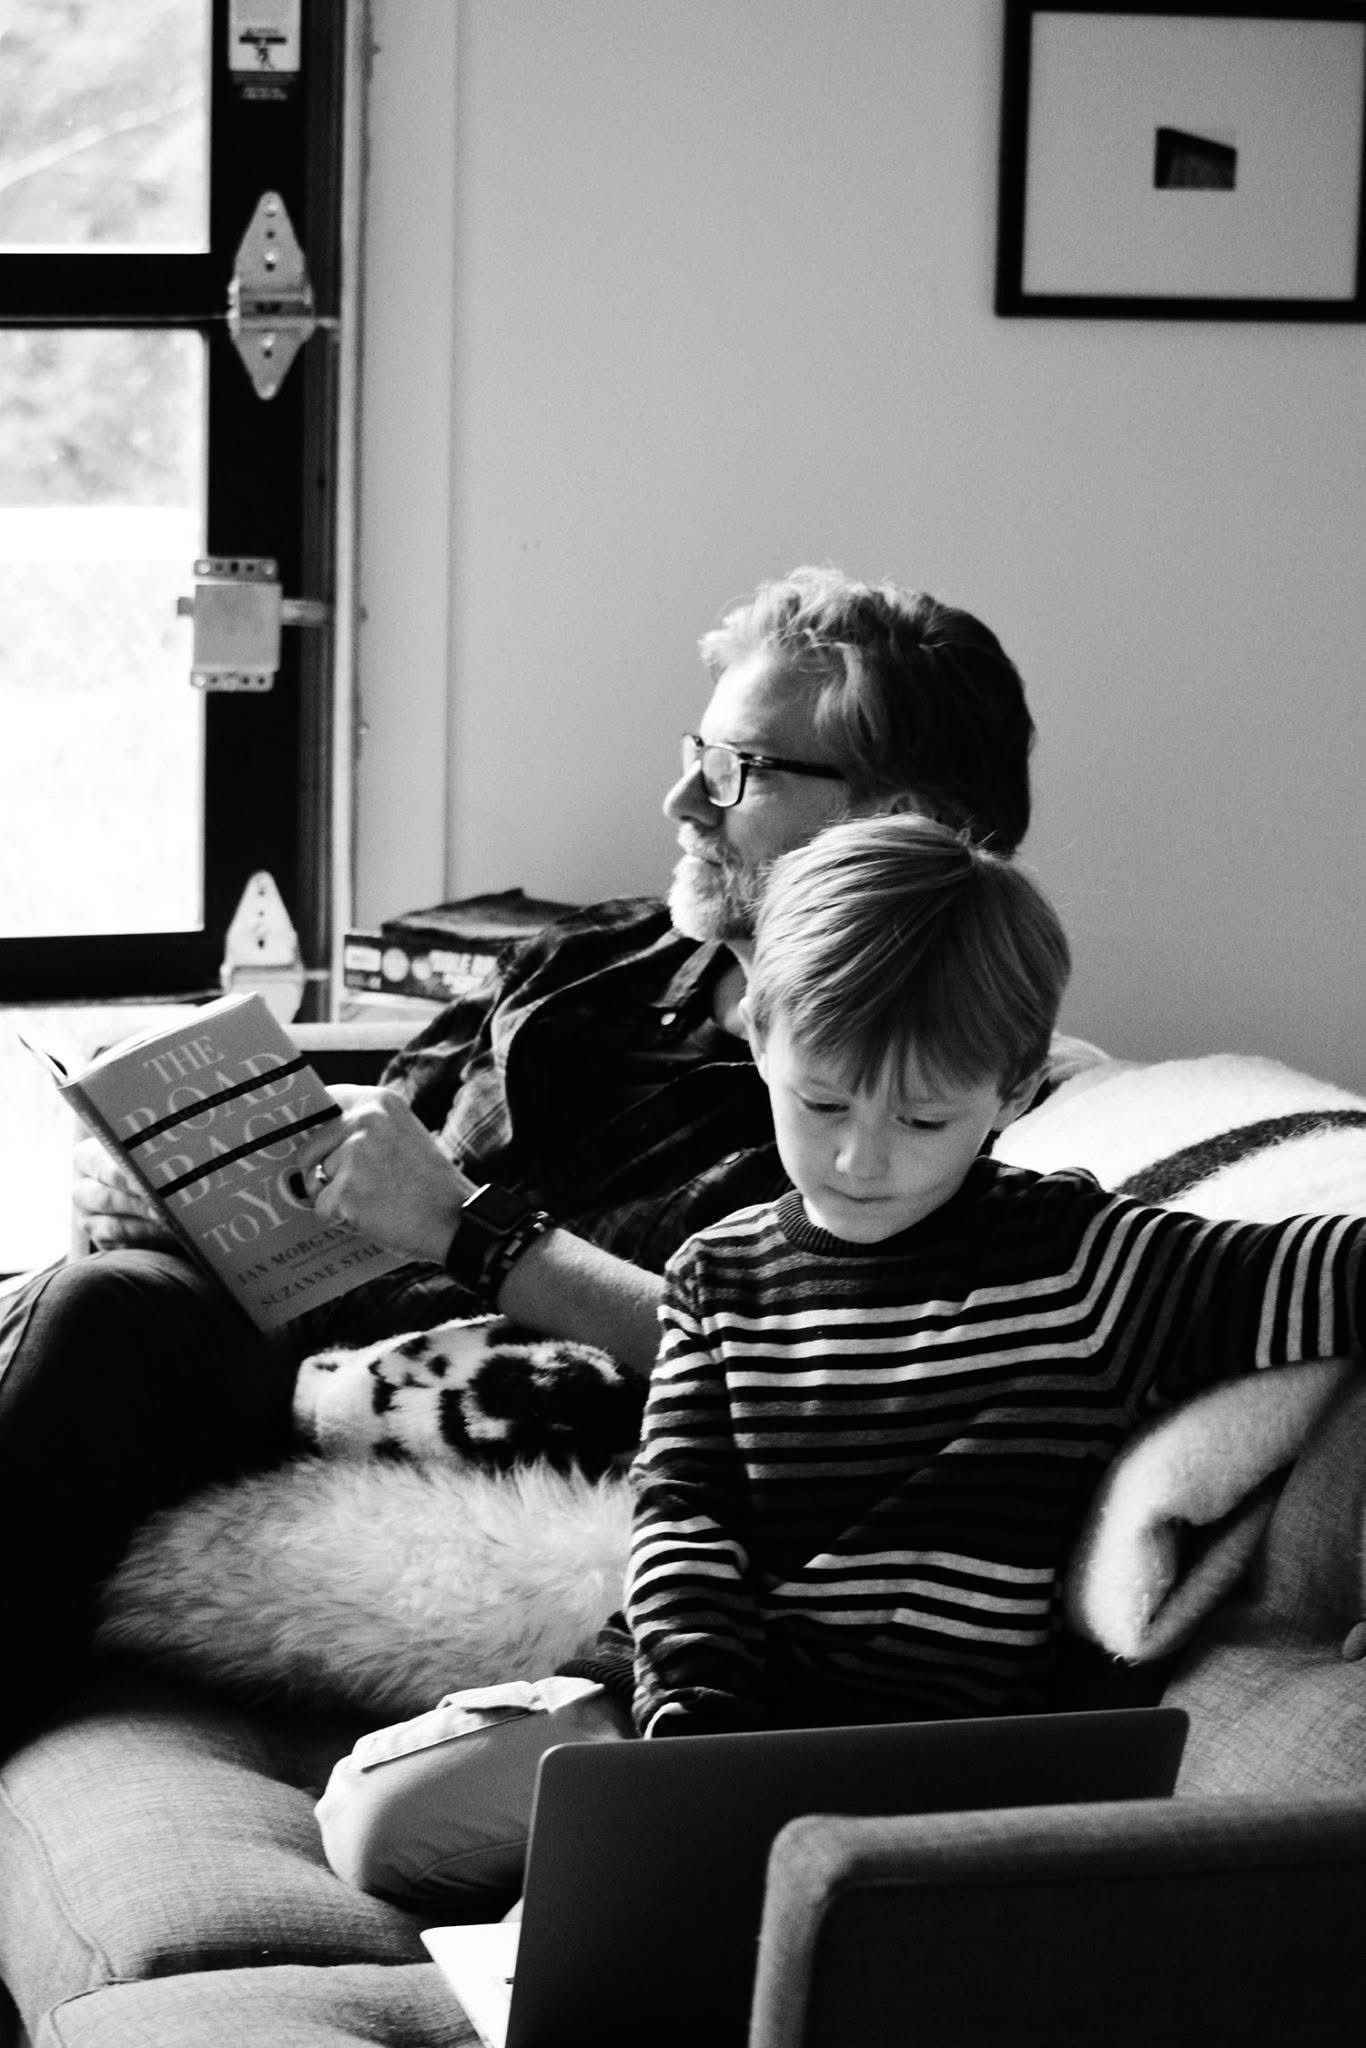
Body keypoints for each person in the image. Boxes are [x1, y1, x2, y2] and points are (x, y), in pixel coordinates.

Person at [0, 566, 1040, 1757]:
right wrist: (182, 1185)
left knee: (98, 1319)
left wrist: (465, 1225)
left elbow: (799, 1357)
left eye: (737, 772)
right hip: (282, 1322)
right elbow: (374, 1140)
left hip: (459, 1421)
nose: (680, 801)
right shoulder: (597, 957)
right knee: (88, 1291)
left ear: (896, 820)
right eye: (697, 754)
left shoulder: (894, 1106)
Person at [315, 812, 1366, 1909]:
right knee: (378, 1816)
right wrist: (695, 1742)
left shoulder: (1091, 1258)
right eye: (821, 1103)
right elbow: (686, 1518)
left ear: (1011, 1090)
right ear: (762, 1039)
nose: (861, 1157)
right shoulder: (719, 1276)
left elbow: (1340, 1270)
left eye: (922, 1119)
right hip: (692, 1717)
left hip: (937, 1756)